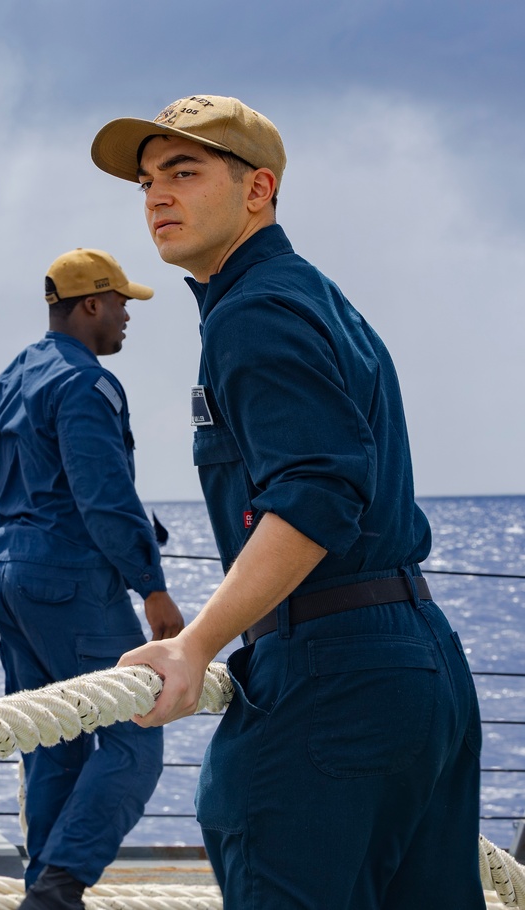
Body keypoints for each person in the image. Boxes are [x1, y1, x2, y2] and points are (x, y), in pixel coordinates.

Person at [89, 95, 485, 908]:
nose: (158, 196)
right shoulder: (315, 296)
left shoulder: (254, 311)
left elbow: (317, 493)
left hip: (332, 674)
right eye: (148, 180)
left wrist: (194, 644)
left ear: (258, 189)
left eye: (185, 172)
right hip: (419, 664)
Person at [0, 248, 185, 910]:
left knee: (51, 740)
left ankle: (43, 890)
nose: (127, 316)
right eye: (121, 302)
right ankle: (58, 892)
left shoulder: (16, 375)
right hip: (70, 580)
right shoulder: (86, 383)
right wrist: (151, 586)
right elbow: (103, 493)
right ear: (91, 304)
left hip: (7, 575)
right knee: (135, 736)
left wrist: (2, 560)